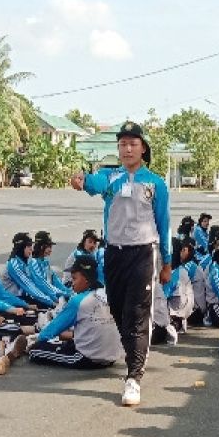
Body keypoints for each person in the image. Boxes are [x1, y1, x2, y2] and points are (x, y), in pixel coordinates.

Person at [71, 121, 172, 407]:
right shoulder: (110, 177)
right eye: (123, 144)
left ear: (143, 148)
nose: (127, 149)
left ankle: (134, 376)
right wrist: (80, 181)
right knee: (117, 309)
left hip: (144, 253)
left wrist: (167, 262)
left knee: (137, 313)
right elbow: (90, 182)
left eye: (133, 144)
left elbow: (164, 224)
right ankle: (134, 357)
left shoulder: (156, 183)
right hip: (114, 253)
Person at [28, 255, 124, 369]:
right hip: (112, 356)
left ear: (86, 279)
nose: (72, 283)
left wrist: (37, 342)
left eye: (74, 278)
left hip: (88, 358)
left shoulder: (78, 301)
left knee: (35, 351)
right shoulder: (107, 294)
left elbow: (53, 328)